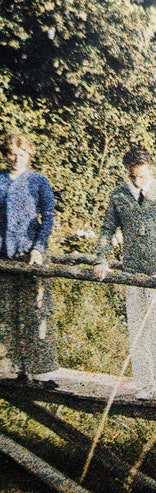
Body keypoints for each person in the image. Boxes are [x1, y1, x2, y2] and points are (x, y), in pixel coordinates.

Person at [94, 146, 156, 401]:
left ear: (151, 170)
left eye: (142, 176)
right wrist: (102, 259)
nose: (137, 181)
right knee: (138, 330)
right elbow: (107, 229)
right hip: (133, 271)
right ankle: (145, 384)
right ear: (127, 173)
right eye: (132, 176)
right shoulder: (118, 196)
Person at [0, 132, 59, 382]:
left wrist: (38, 248)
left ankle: (41, 371)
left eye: (21, 154)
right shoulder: (0, 180)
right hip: (3, 255)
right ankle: (14, 368)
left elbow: (48, 217)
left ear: (29, 154)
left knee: (35, 312)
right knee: (7, 312)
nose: (16, 159)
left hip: (29, 255)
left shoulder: (38, 181)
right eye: (12, 153)